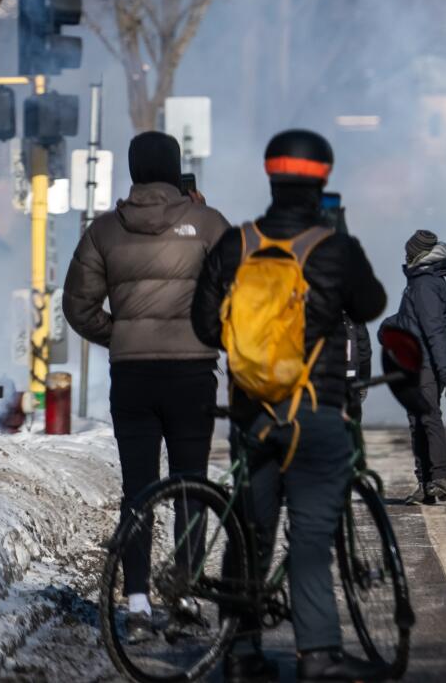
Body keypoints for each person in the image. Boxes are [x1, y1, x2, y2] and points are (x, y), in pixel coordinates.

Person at [191, 129, 387, 682]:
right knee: (310, 532)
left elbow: (205, 326)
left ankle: (241, 649)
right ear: (322, 179)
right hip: (315, 412)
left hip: (252, 413)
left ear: (269, 175)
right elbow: (371, 304)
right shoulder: (335, 249)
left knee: (249, 532)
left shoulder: (236, 243)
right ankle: (317, 653)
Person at [61, 130, 230, 630]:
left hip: (132, 377)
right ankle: (184, 593)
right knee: (190, 487)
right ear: (176, 169)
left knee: (138, 491)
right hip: (192, 375)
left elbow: (78, 306)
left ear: (133, 170)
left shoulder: (104, 230)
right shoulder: (207, 223)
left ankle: (135, 602)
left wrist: (121, 335)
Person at [388, 230, 446, 505]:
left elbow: (434, 330)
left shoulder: (425, 284)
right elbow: (410, 319)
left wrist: (445, 370)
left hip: (424, 364)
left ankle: (438, 480)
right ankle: (425, 483)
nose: (405, 256)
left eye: (408, 252)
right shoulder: (419, 282)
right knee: (418, 422)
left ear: (417, 254)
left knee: (427, 419)